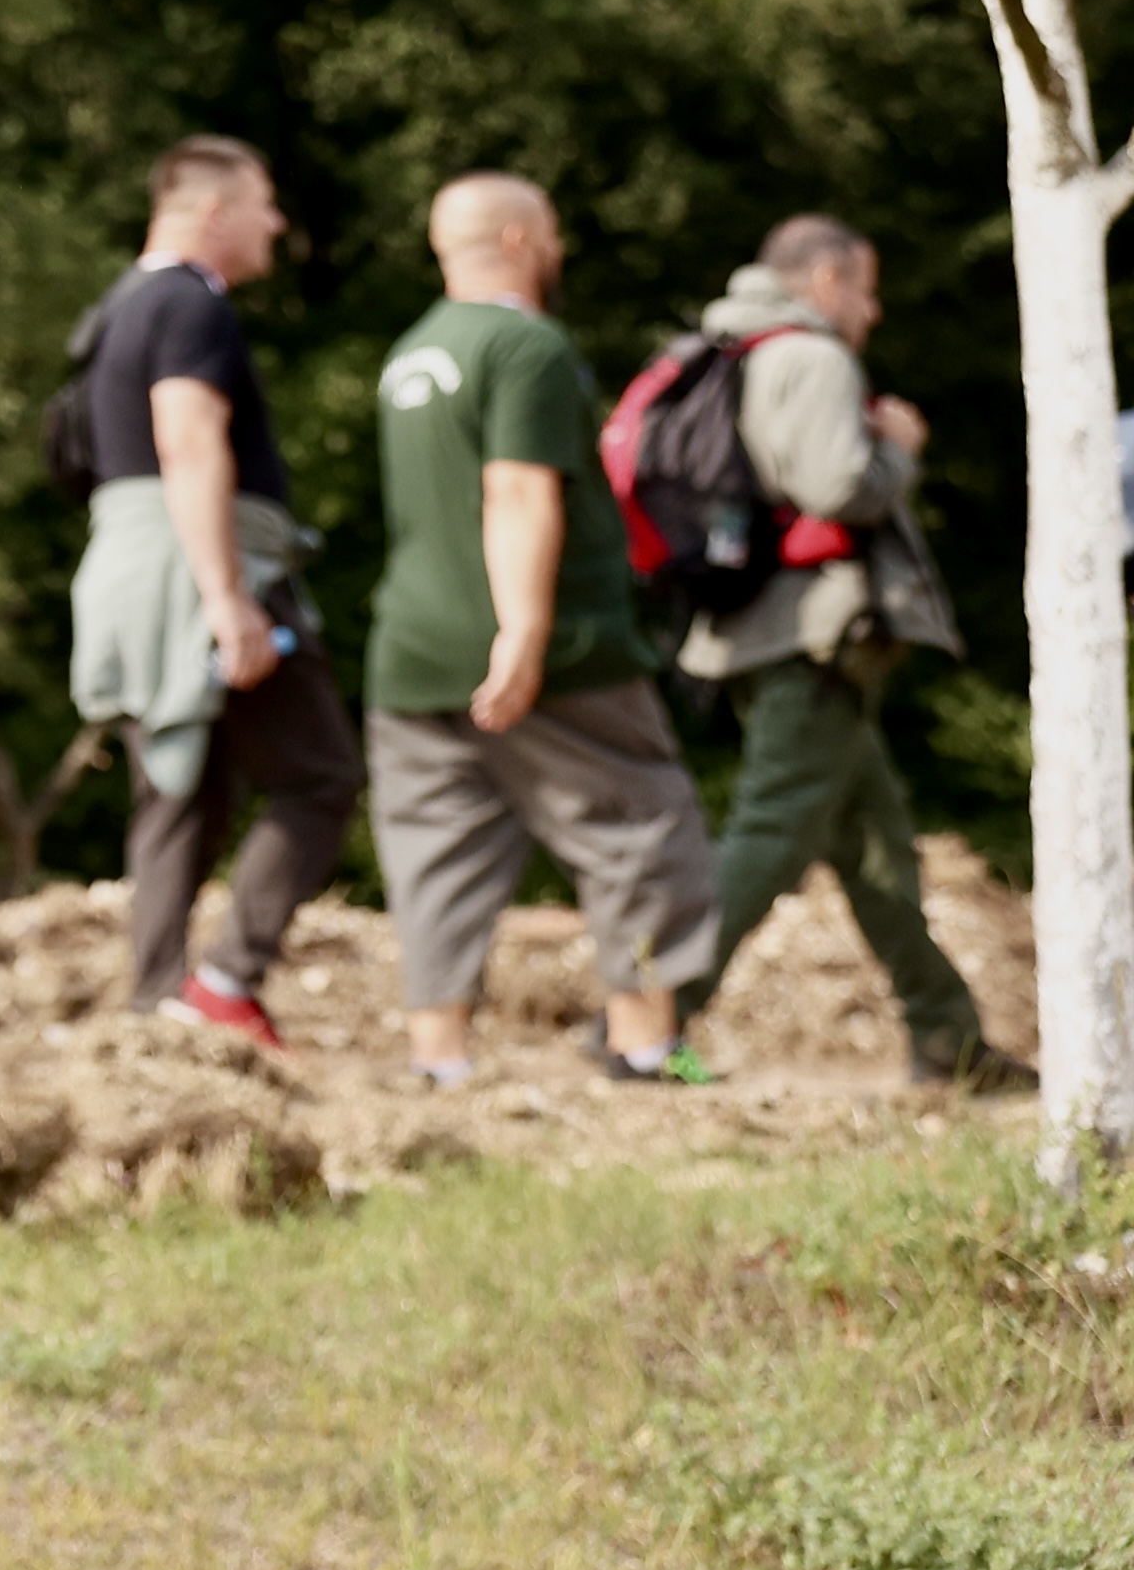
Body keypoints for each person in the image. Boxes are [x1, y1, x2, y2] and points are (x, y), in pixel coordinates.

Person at [359, 174, 719, 1087]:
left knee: (438, 849)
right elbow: (518, 489)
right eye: (552, 236)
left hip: (410, 653)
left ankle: (437, 1061)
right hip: (554, 651)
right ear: (520, 241)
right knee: (639, 825)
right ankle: (644, 1046)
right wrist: (522, 633)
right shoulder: (526, 346)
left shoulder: (410, 354)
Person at [668, 216, 1027, 1092]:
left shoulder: (725, 348)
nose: (871, 311)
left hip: (761, 627)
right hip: (813, 637)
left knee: (875, 849)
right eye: (865, 289)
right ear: (826, 279)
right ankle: (650, 1015)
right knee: (772, 828)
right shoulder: (814, 357)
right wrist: (898, 451)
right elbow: (836, 488)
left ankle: (948, 1040)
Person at [61, 135, 364, 1046]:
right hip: (202, 568)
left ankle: (154, 1004)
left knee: (178, 792)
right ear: (213, 210)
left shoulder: (115, 310)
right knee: (321, 776)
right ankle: (227, 978)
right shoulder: (194, 303)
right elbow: (189, 440)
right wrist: (228, 598)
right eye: (265, 202)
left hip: (124, 568)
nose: (277, 222)